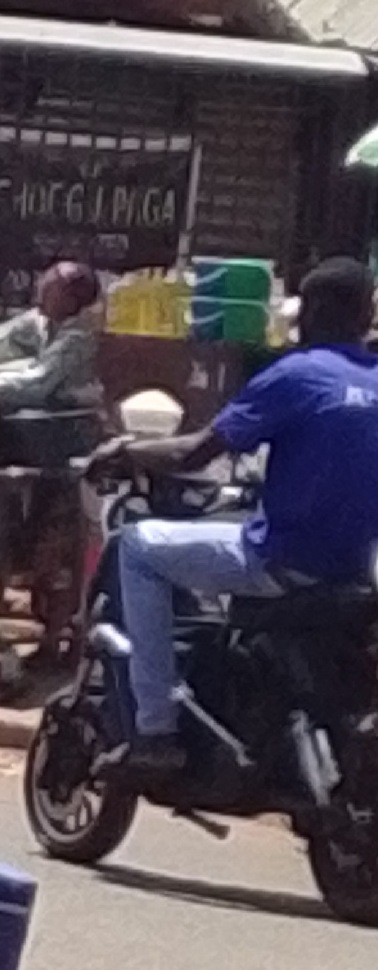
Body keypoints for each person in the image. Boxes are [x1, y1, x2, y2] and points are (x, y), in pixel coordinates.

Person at [97, 255, 378, 778]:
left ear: (312, 313)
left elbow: (192, 454)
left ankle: (155, 730)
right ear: (367, 316)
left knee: (137, 547)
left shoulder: (298, 374)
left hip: (285, 562)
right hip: (356, 571)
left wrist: (126, 450)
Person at [0, 261, 104, 414]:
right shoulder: (41, 320)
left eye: (50, 289)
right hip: (40, 411)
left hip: (71, 419)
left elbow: (36, 386)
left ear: (70, 302)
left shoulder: (78, 337)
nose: (40, 291)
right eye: (42, 283)